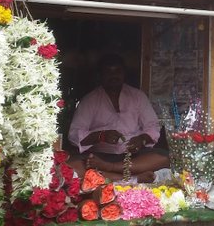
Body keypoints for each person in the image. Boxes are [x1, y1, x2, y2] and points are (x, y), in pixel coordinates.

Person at [67, 54, 169, 182]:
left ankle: (110, 169)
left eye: (118, 71)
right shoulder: (89, 100)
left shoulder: (137, 96)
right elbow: (74, 134)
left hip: (134, 157)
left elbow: (152, 126)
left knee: (163, 157)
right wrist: (101, 136)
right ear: (100, 75)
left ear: (124, 74)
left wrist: (142, 139)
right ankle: (134, 178)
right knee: (72, 166)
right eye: (108, 71)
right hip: (100, 156)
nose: (113, 75)